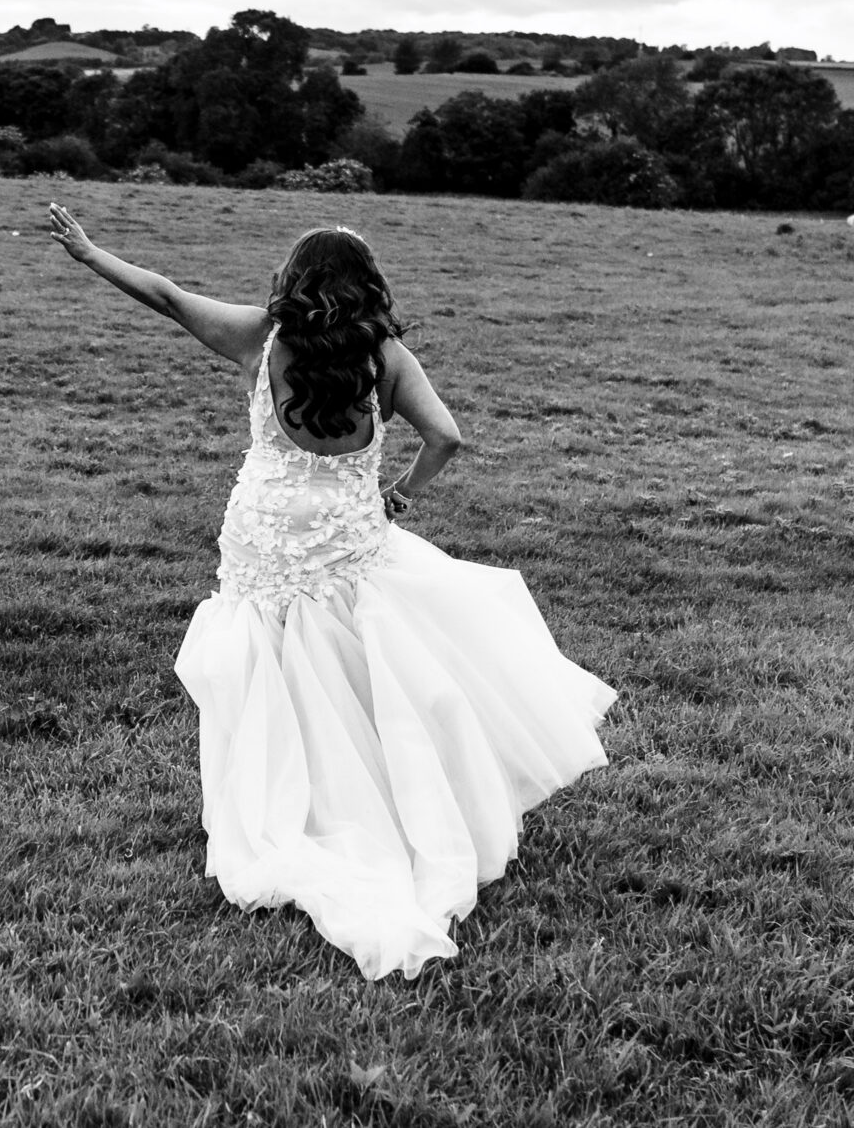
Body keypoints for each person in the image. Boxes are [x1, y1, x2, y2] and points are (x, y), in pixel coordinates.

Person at [43, 207, 614, 980]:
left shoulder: (259, 337)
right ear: (367, 287)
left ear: (295, 281)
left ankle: (295, 807)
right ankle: (389, 800)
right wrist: (402, 494)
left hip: (265, 534)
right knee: (366, 661)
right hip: (344, 533)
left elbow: (169, 296)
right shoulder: (387, 357)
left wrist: (89, 253)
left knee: (276, 668)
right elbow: (447, 436)